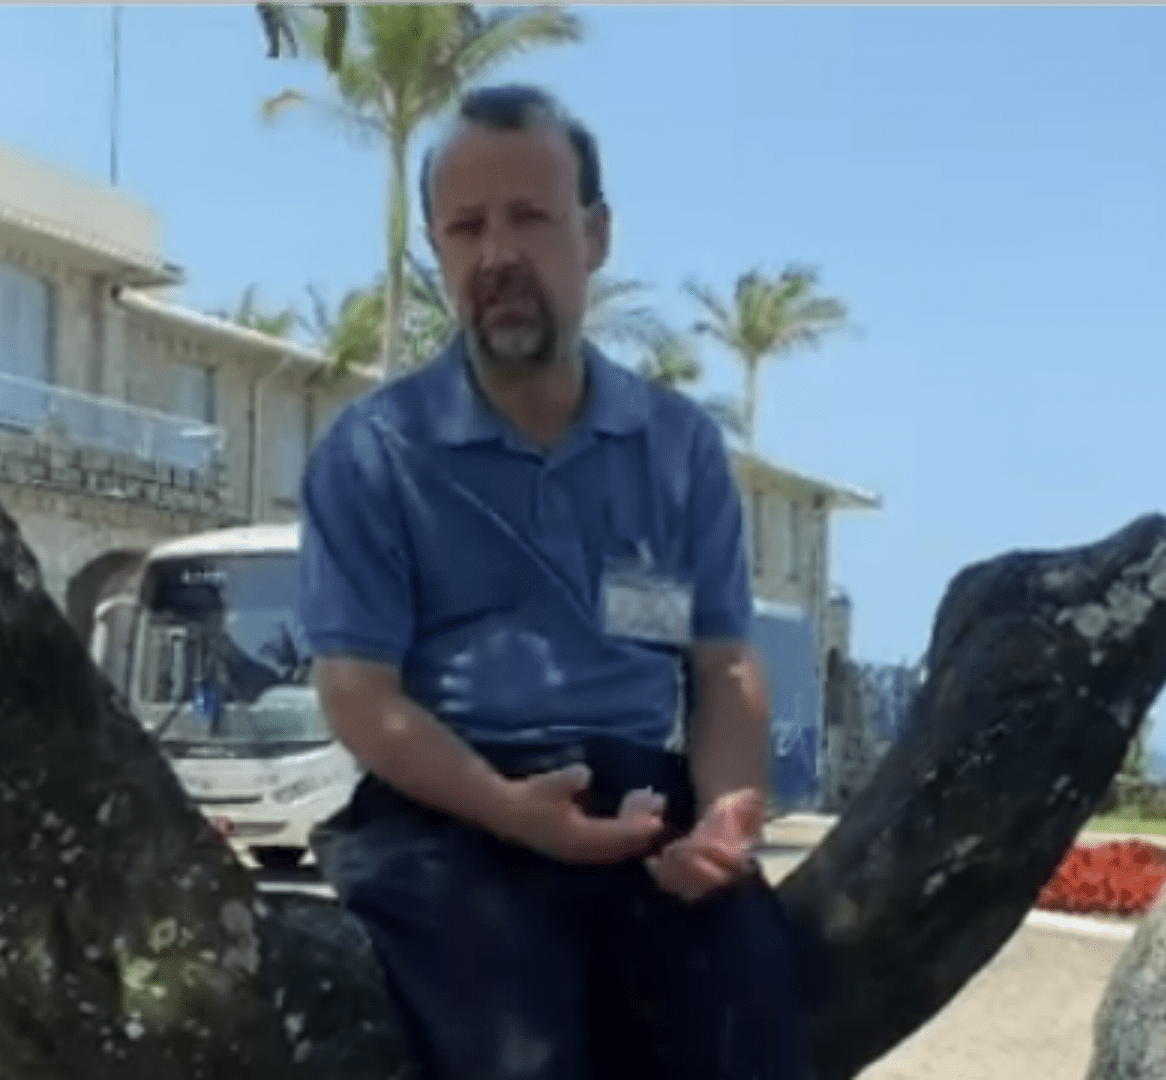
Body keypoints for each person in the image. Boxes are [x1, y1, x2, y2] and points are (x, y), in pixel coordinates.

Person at [298, 83, 812, 1080]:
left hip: (639, 795)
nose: (497, 255)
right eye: (466, 227)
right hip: (443, 808)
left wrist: (720, 824)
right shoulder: (373, 454)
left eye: (529, 218)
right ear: (439, 252)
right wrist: (503, 805)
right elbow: (356, 690)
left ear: (596, 234)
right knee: (519, 1049)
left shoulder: (679, 449)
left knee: (751, 1003)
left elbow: (724, 669)